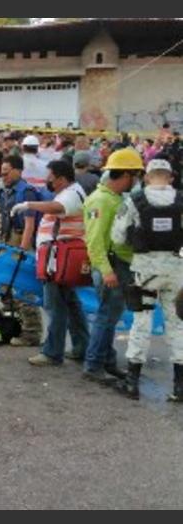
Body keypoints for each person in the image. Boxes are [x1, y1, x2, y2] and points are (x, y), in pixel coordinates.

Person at [110, 159, 183, 401]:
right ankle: (180, 387)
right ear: (170, 177)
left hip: (146, 272)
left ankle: (132, 383)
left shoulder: (134, 200)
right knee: (177, 325)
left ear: (148, 177)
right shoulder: (181, 200)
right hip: (176, 271)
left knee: (141, 324)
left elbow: (118, 237)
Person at [11, 161, 88, 367]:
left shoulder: (71, 194)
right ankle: (82, 347)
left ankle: (53, 352)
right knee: (70, 304)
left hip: (58, 259)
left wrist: (29, 205)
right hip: (58, 257)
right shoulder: (71, 191)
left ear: (61, 178)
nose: (48, 181)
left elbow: (59, 208)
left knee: (55, 306)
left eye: (50, 177)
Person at [81, 148, 144, 384]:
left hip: (117, 265)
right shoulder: (101, 200)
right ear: (127, 174)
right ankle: (93, 364)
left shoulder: (115, 199)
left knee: (110, 316)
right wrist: (106, 271)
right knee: (106, 317)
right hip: (111, 266)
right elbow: (94, 241)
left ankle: (107, 361)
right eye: (135, 175)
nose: (136, 180)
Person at [0, 155, 43, 346]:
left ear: (18, 170)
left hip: (20, 238)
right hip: (7, 237)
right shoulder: (5, 191)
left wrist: (22, 251)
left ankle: (31, 332)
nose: (4, 177)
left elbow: (29, 224)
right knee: (3, 284)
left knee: (22, 285)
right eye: (2, 174)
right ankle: (13, 324)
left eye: (7, 173)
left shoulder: (27, 192)